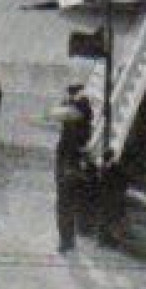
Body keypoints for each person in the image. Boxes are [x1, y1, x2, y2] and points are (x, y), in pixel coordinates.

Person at [53, 84, 93, 252]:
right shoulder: (83, 120)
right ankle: (70, 237)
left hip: (69, 164)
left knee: (65, 202)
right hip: (72, 163)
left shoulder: (76, 119)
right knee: (71, 201)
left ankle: (67, 239)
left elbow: (58, 113)